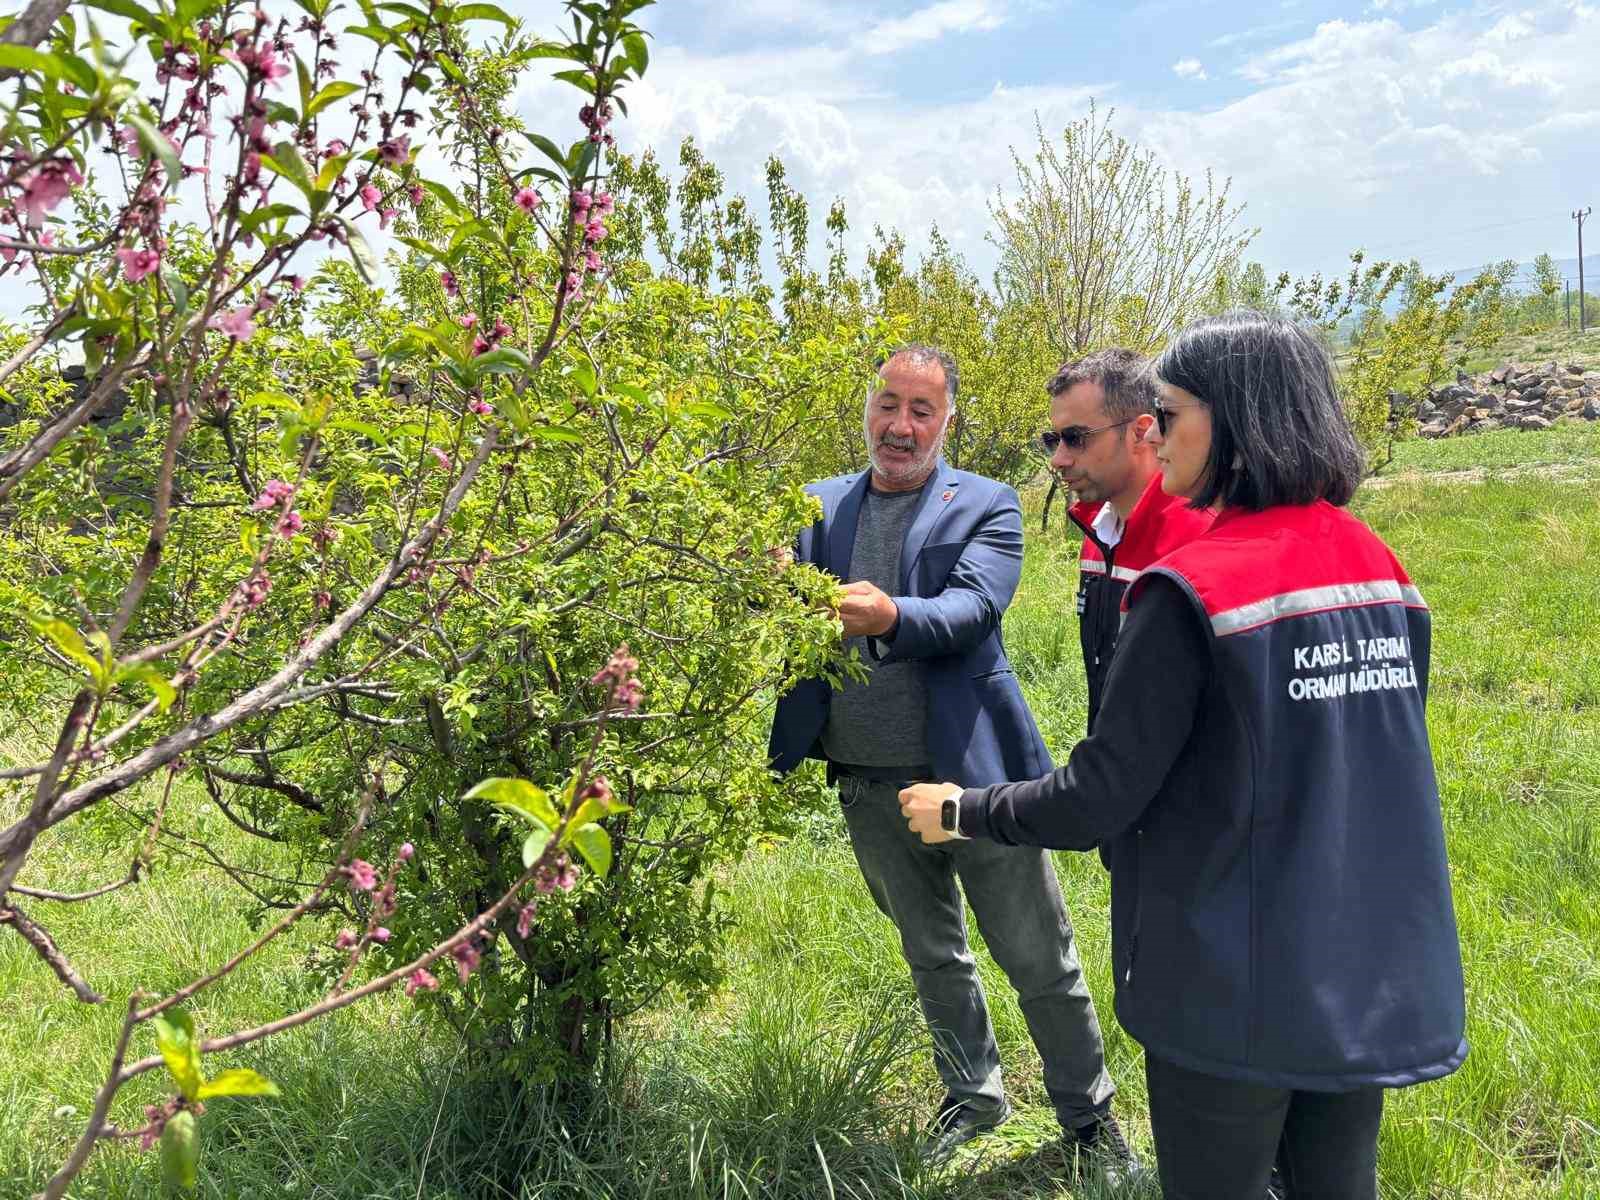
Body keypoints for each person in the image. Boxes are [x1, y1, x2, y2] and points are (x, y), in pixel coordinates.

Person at [900, 312, 1468, 1198]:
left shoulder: (1193, 587)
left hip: (1228, 976)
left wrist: (961, 808)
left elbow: (1098, 798)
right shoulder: (1379, 567)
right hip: (1357, 961)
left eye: (1168, 416)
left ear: (1233, 419)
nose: (1155, 438)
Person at [768, 344, 1137, 1179]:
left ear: (948, 421)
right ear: (868, 407)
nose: (899, 426)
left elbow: (973, 608)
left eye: (921, 410)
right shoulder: (817, 506)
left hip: (976, 782)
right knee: (931, 953)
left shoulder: (987, 504)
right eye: (887, 404)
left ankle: (1089, 1117)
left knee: (1038, 957)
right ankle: (973, 1096)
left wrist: (890, 613)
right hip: (868, 780)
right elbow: (782, 619)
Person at [1044, 348, 1214, 732]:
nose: (1058, 458)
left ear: (1140, 432)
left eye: (1075, 438)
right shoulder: (1097, 534)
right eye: (1052, 439)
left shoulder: (1199, 540)